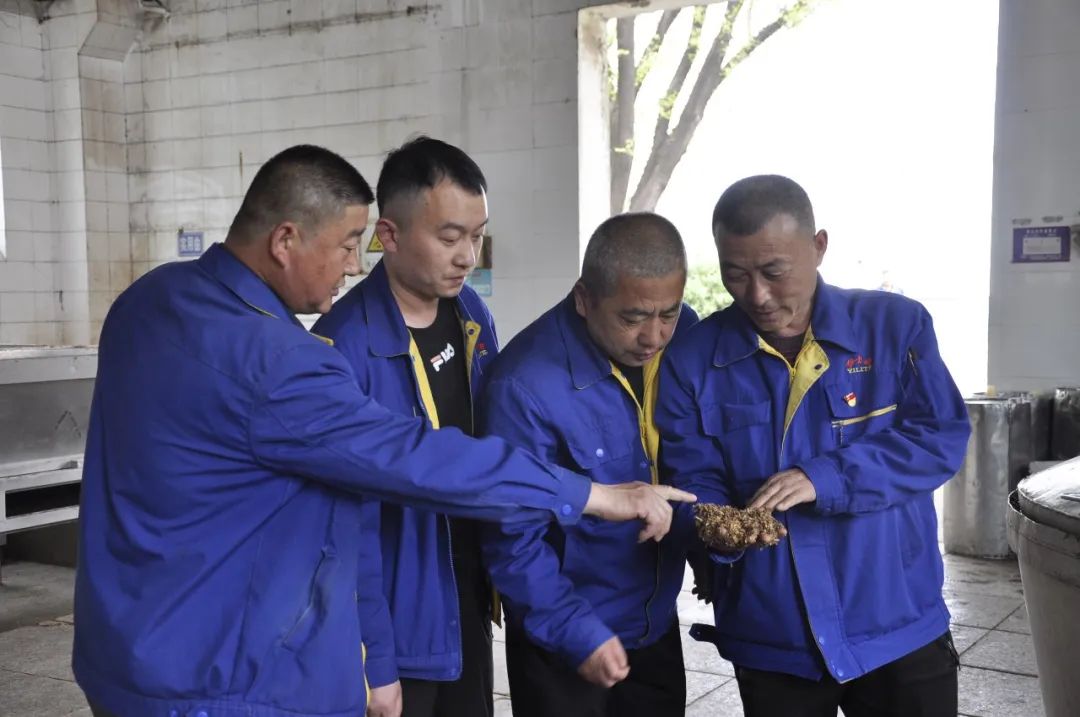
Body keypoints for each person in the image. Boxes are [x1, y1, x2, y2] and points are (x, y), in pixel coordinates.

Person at [72, 144, 694, 717]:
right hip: (218, 674)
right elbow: (413, 459)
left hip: (127, 646)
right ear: (285, 239)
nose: (353, 263)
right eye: (347, 244)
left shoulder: (148, 299)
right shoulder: (290, 359)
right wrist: (593, 494)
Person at [656, 175, 970, 717]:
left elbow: (938, 438)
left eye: (774, 271)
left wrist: (824, 477)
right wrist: (716, 529)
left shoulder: (894, 327)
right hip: (772, 632)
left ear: (819, 246)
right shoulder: (693, 358)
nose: (757, 295)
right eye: (736, 274)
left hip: (895, 621)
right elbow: (692, 474)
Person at [480, 213, 698, 717]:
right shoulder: (524, 384)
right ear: (584, 298)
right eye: (633, 318)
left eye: (668, 313)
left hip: (654, 622)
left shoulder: (686, 336)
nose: (654, 336)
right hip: (566, 639)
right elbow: (512, 539)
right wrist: (574, 631)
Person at [313, 137, 499, 717]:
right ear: (388, 236)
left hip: (466, 595)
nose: (467, 257)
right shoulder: (339, 347)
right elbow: (342, 525)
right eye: (450, 238)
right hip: (394, 619)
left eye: (476, 236)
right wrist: (375, 657)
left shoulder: (471, 315)